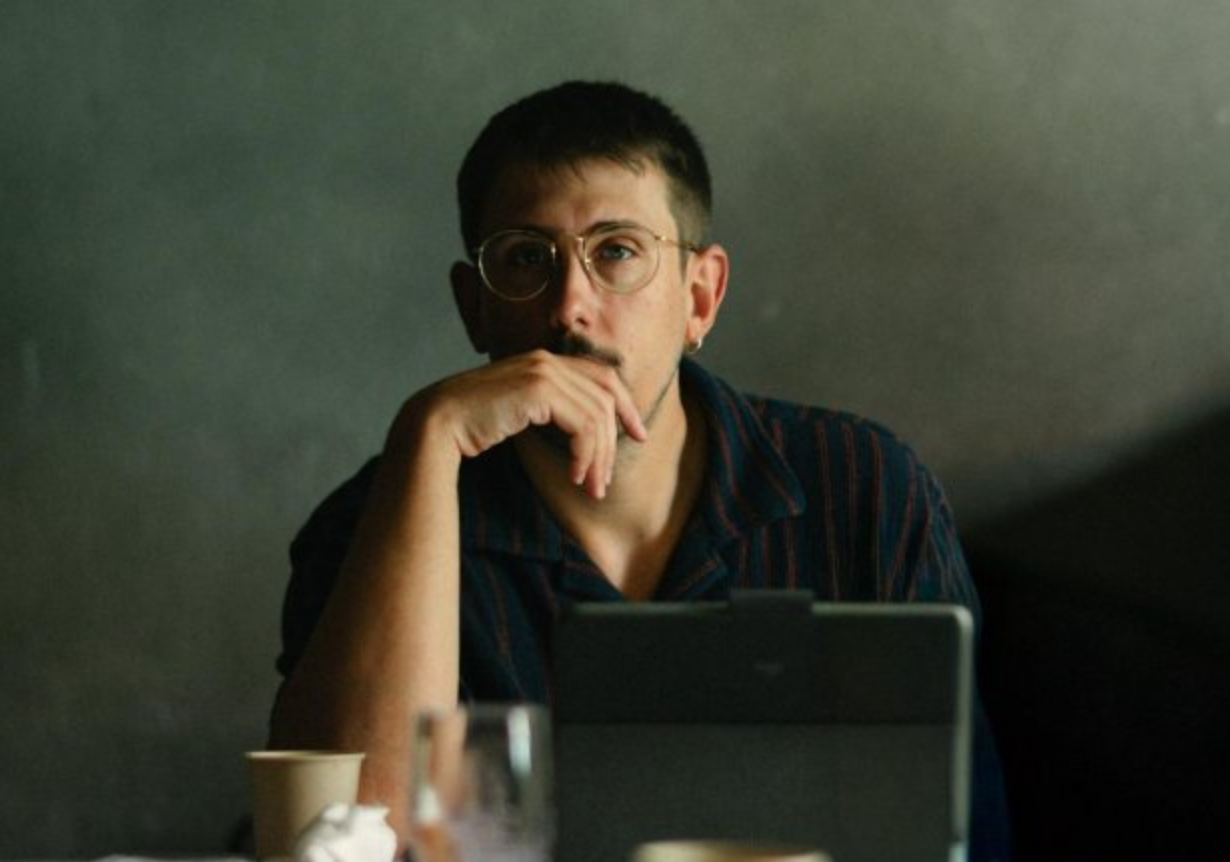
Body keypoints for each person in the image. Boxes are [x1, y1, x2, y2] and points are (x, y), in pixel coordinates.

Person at [268, 80, 1010, 861]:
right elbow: (346, 841)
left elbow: (965, 834)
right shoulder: (370, 524)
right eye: (525, 258)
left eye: (617, 251)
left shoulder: (863, 488)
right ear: (474, 306)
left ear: (700, 297)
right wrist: (431, 432)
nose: (569, 306)